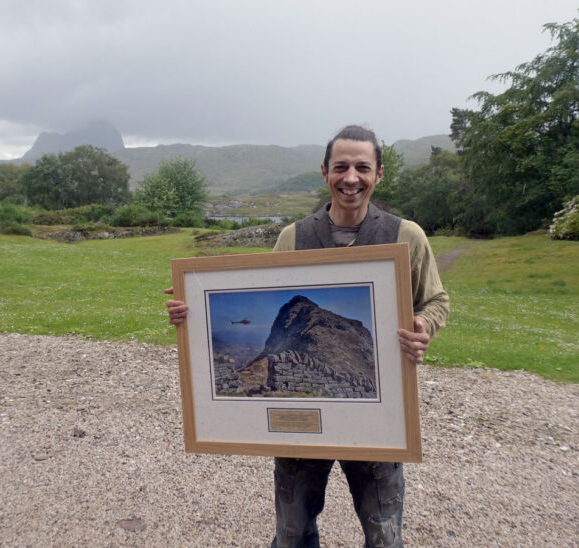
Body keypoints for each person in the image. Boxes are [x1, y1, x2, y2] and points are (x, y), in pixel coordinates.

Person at [165, 125, 449, 548]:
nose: (351, 177)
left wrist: (425, 326)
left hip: (380, 416)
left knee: (384, 533)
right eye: (341, 167)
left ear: (379, 174)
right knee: (293, 531)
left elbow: (435, 300)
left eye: (362, 167)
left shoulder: (407, 236)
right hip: (299, 420)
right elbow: (263, 288)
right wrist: (192, 307)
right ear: (324, 172)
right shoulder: (292, 237)